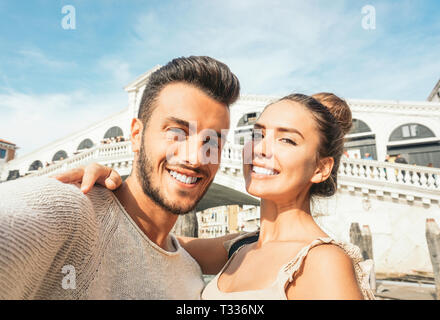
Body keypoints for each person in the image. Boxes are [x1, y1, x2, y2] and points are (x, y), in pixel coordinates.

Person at [57, 93, 375, 299]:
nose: (261, 149)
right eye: (258, 134)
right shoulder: (237, 248)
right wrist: (112, 188)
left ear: (321, 168)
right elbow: (144, 237)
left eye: (287, 141)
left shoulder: (322, 263)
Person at [0, 56, 240, 299]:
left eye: (212, 141)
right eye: (177, 132)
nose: (197, 158)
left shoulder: (191, 275)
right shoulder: (69, 209)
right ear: (136, 135)